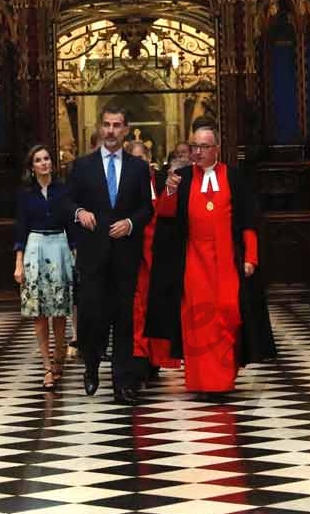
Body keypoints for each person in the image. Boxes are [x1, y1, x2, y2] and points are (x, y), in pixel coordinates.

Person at [152, 118, 276, 393]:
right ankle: (200, 381)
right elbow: (165, 214)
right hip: (194, 260)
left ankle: (223, 379)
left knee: (228, 314)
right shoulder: (182, 179)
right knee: (197, 319)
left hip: (227, 260)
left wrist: (251, 258)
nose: (198, 152)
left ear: (217, 149)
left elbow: (249, 222)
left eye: (204, 147)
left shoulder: (233, 177)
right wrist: (169, 190)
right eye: (195, 146)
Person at [65, 104, 154, 404]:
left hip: (125, 255)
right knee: (92, 314)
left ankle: (122, 382)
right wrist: (79, 213)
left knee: (124, 319)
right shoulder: (82, 166)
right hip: (93, 255)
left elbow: (147, 208)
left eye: (117, 125)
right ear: (100, 128)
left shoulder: (138, 168)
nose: (111, 131)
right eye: (107, 125)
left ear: (126, 129)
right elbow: (68, 203)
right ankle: (91, 365)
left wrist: (130, 223)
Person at [14, 145, 75, 390]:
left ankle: (60, 356)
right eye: (38, 160)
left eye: (47, 159)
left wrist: (74, 253)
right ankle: (47, 365)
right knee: (39, 313)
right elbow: (20, 228)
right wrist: (18, 263)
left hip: (59, 246)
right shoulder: (25, 194)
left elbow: (71, 224)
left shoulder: (63, 191)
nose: (44, 163)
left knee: (59, 311)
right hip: (34, 247)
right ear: (32, 167)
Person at [127, 141, 182, 375]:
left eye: (143, 158)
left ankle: (155, 361)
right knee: (136, 311)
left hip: (159, 256)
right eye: (135, 158)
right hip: (135, 256)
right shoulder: (124, 185)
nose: (140, 163)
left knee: (157, 309)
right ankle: (138, 360)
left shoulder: (161, 181)